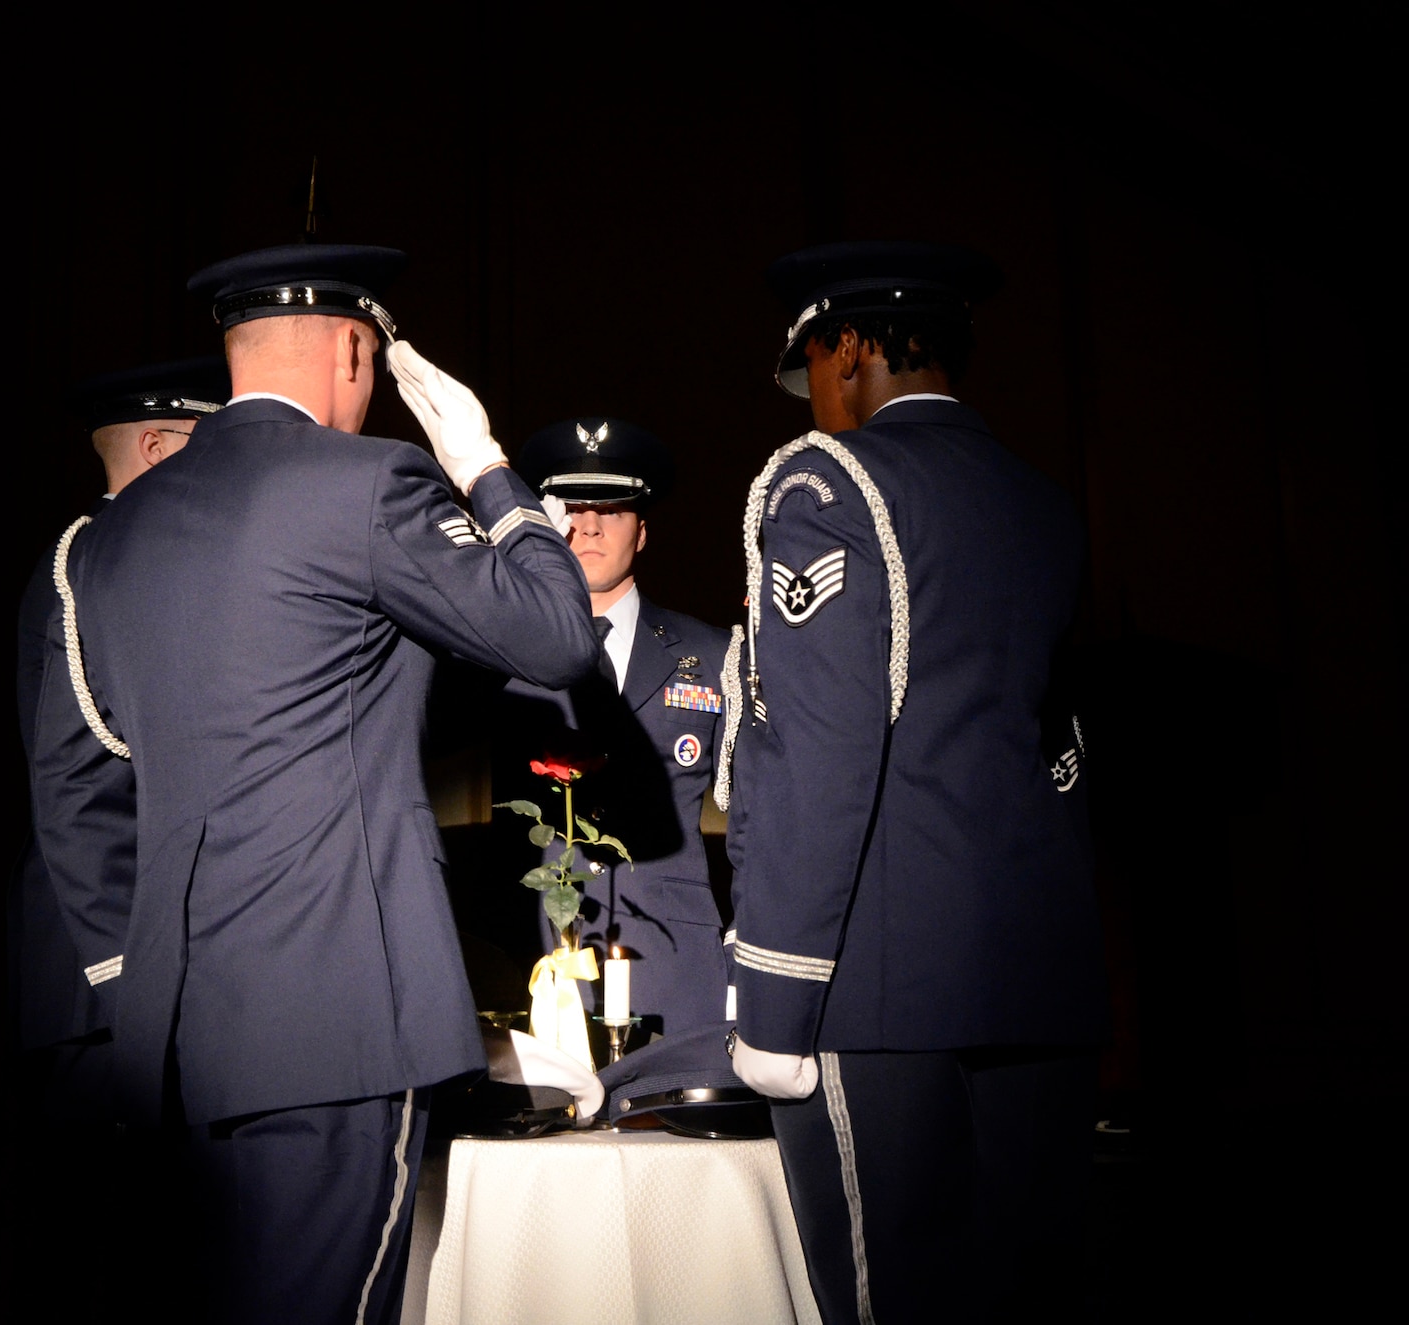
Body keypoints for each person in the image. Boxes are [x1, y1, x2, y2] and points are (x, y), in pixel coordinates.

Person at [70, 243, 595, 1322]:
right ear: (355, 350)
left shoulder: (115, 534)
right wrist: (486, 468)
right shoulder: (367, 484)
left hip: (173, 1029)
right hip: (332, 1011)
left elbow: (116, 751)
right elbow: (551, 636)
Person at [723, 242, 1106, 1324]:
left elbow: (816, 753)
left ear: (844, 348)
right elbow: (1060, 751)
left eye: (813, 368)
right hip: (1038, 976)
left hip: (881, 987)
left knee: (894, 1299)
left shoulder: (827, 482)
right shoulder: (1040, 502)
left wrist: (777, 998)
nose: (815, 401)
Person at [6, 357, 226, 1310]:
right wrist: (126, 974)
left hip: (153, 973)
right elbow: (75, 785)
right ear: (152, 447)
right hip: (107, 977)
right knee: (103, 1256)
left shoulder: (150, 568)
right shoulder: (90, 564)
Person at [502, 417, 734, 1036]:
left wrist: (749, 960)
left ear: (643, 530)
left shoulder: (714, 654)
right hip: (540, 965)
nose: (590, 526)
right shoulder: (500, 655)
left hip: (677, 972)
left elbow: (760, 821)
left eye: (614, 507)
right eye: (573, 507)